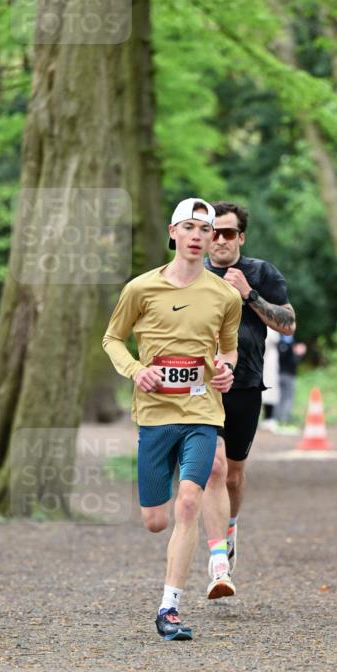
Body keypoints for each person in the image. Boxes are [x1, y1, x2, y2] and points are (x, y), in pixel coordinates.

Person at [102, 198, 242, 641]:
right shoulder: (140, 289)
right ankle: (175, 580)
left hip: (202, 411)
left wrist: (226, 369)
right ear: (173, 233)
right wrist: (137, 370)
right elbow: (112, 339)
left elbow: (229, 348)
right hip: (155, 415)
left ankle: (169, 609)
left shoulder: (224, 295)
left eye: (207, 228)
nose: (200, 235)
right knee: (155, 519)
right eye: (191, 227)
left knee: (188, 503)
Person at [201, 202, 296, 579]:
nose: (220, 240)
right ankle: (218, 559)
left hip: (246, 384)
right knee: (213, 468)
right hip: (203, 387)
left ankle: (230, 526)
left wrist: (250, 294)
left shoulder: (260, 272)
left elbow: (288, 324)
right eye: (213, 232)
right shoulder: (192, 275)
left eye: (228, 233)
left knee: (234, 474)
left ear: (240, 237)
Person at [276, 333, 307, 426]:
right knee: (288, 398)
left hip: (278, 373)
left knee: (278, 397)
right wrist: (299, 354)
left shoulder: (278, 342)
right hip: (289, 375)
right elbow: (294, 361)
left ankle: (276, 419)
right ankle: (284, 420)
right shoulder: (291, 343)